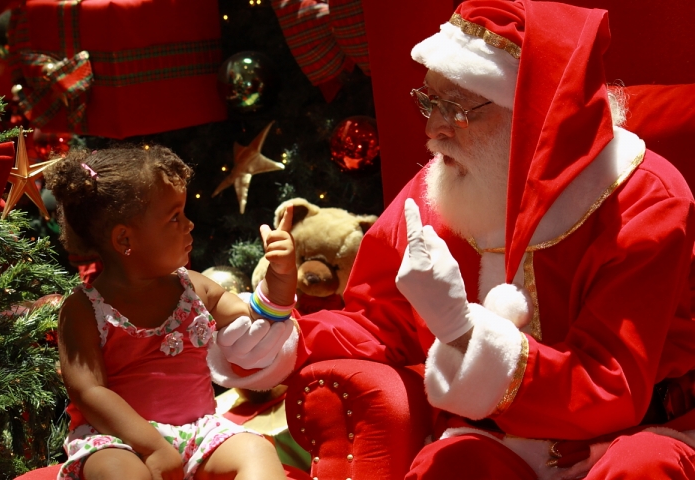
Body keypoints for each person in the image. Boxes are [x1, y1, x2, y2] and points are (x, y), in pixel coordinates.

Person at [207, 0, 695, 478]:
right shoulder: (444, 186)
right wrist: (279, 333)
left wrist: (463, 331)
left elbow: (611, 383)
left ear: (534, 115)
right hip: (495, 439)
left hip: (636, 433)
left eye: (457, 108)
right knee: (449, 466)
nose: (433, 128)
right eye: (429, 101)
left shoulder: (642, 196)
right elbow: (379, 321)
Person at [44, 145, 296, 480]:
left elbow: (255, 317)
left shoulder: (194, 288)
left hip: (198, 433)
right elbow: (89, 392)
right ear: (125, 239)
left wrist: (281, 280)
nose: (189, 224)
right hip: (119, 440)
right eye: (174, 216)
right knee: (120, 473)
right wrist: (152, 446)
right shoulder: (83, 308)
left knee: (257, 449)